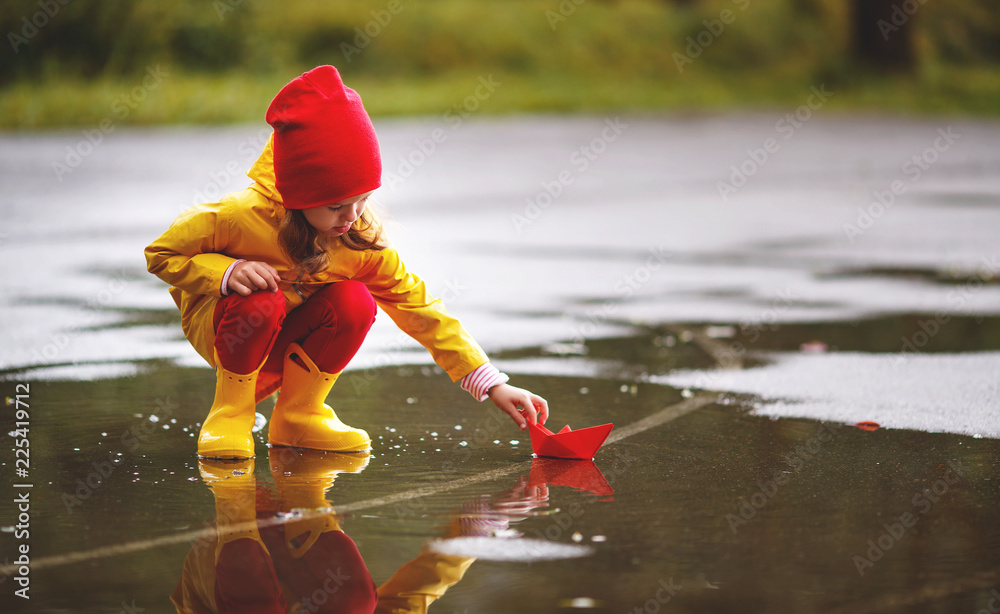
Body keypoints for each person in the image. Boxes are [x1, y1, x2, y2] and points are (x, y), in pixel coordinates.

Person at [145, 65, 548, 459]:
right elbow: (161, 254)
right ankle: (230, 415)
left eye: (363, 199)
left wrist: (491, 382)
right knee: (262, 297)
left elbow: (419, 306)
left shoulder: (356, 237)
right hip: (230, 330)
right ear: (297, 197)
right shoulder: (239, 215)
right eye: (337, 205)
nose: (352, 216)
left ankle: (299, 416)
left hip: (289, 335)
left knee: (356, 299)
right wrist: (227, 272)